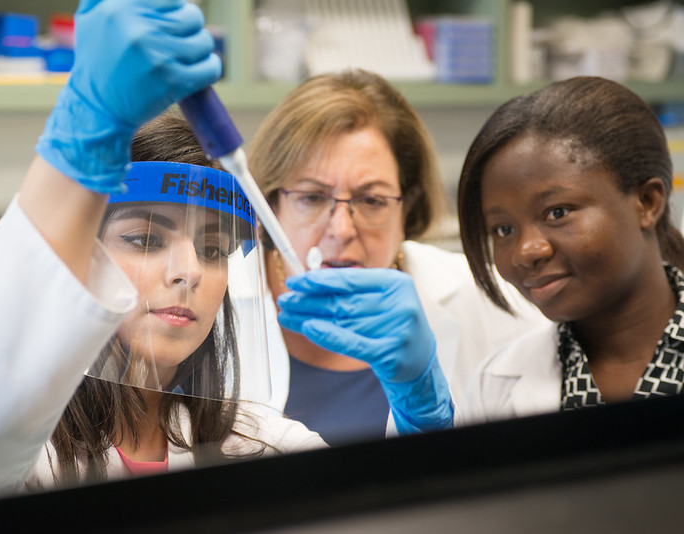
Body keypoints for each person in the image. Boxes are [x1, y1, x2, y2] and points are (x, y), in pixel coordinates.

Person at [0, 0, 324, 513]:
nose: (187, 273)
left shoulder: (255, 443)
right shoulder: (29, 462)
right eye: (144, 239)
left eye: (211, 249)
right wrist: (88, 117)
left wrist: (417, 412)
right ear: (81, 262)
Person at [244, 69, 549, 445]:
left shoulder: (491, 300)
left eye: (371, 200)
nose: (341, 229)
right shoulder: (214, 300)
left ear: (408, 207)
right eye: (312, 197)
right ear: (269, 204)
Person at [456, 76, 684, 424]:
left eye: (557, 213)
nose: (526, 251)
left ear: (647, 203)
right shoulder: (494, 386)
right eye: (503, 229)